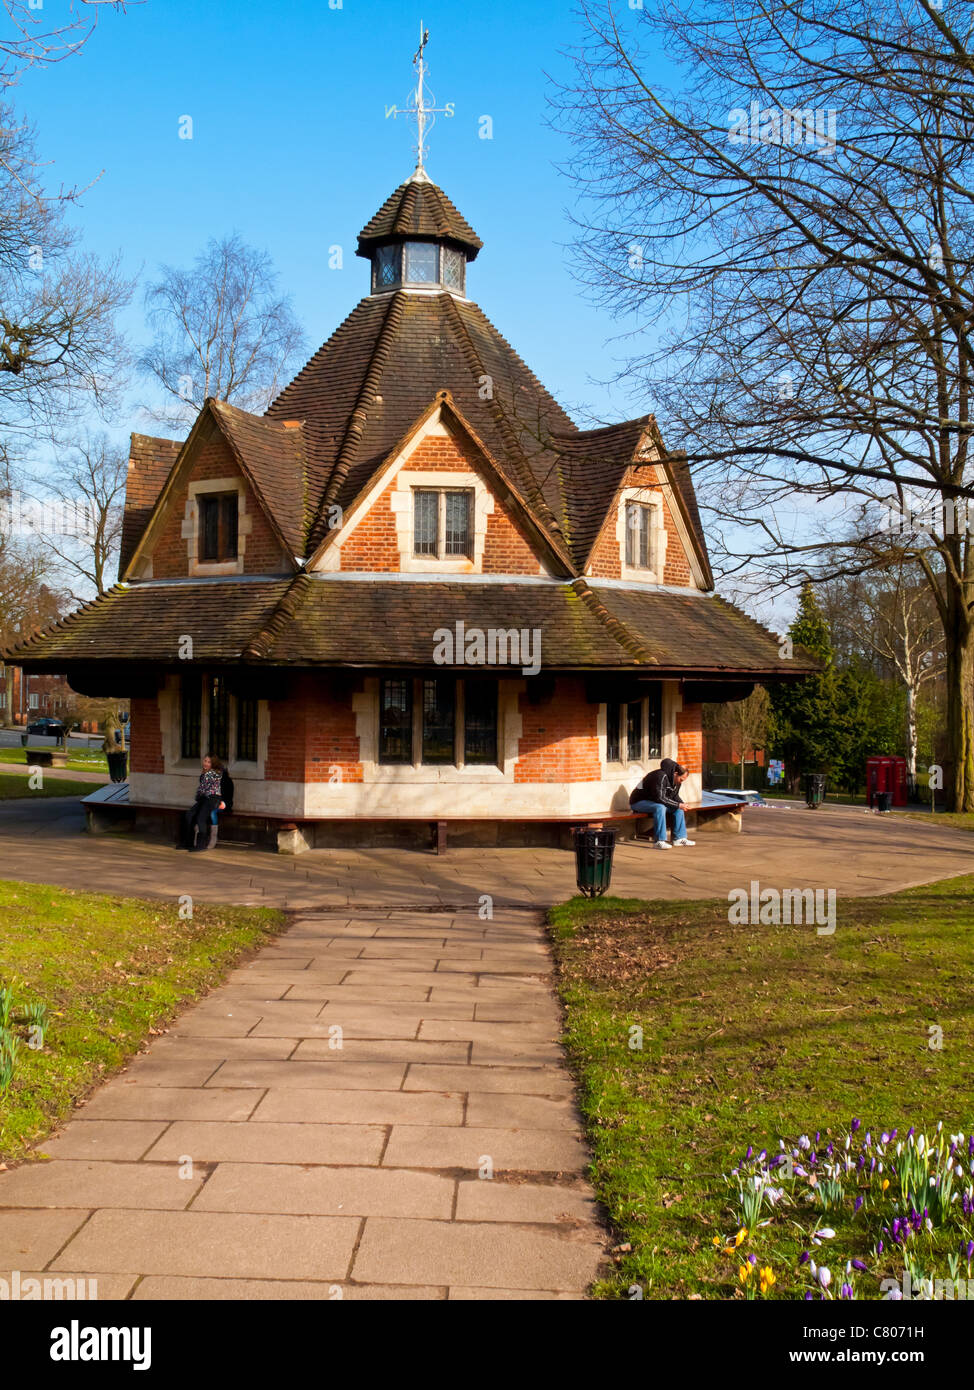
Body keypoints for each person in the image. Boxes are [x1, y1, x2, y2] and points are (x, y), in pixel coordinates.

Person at [629, 757, 696, 849]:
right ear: (675, 774)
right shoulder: (660, 776)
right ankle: (659, 841)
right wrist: (678, 804)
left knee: (678, 809)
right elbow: (660, 798)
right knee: (660, 807)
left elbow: (674, 796)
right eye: (681, 779)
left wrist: (682, 804)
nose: (681, 782)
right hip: (638, 802)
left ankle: (679, 838)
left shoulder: (676, 781)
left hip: (653, 802)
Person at [184, 753, 226, 851]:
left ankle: (201, 845)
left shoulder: (212, 773)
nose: (206, 763)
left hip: (212, 798)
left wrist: (199, 796)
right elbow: (202, 790)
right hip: (204, 798)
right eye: (205, 761)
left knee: (200, 818)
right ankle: (188, 843)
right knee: (189, 815)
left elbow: (204, 789)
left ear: (213, 764)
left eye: (209, 762)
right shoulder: (206, 773)